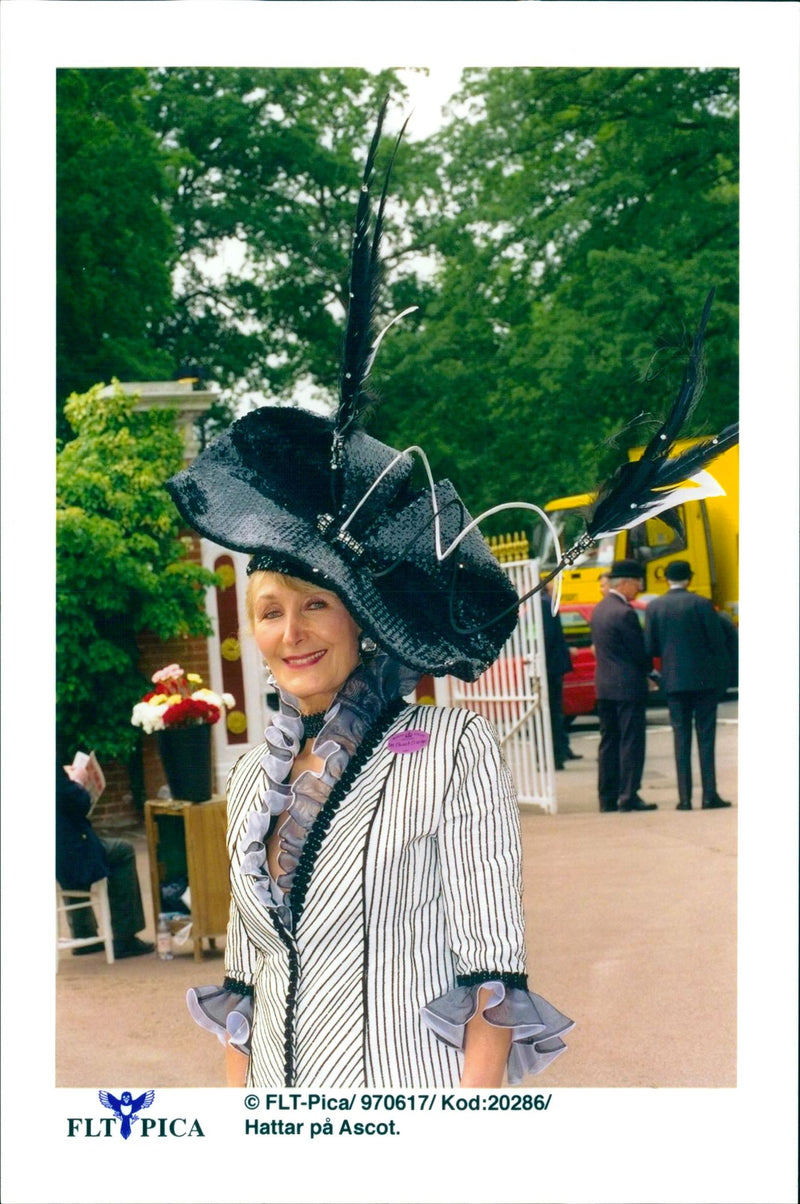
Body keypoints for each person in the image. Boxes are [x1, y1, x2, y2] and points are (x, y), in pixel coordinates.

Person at [169, 108, 574, 1090]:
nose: (290, 631)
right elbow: (243, 996)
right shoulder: (251, 784)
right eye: (270, 609)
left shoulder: (449, 754)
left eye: (313, 603)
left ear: (357, 612)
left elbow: (489, 988)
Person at [644, 560, 732, 810]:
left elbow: (650, 647)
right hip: (704, 682)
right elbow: (717, 642)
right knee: (706, 738)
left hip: (673, 682)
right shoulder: (702, 604)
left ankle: (684, 799)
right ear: (689, 579)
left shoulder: (655, 607)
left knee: (680, 738)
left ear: (666, 579)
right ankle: (709, 795)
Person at [56, 763, 154, 958]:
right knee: (122, 850)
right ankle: (124, 937)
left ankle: (83, 933)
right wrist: (77, 782)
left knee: (76, 853)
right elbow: (78, 802)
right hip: (68, 849)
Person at [589, 559, 657, 812]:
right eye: (637, 582)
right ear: (626, 583)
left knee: (608, 742)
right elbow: (638, 652)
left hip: (604, 685)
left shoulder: (599, 609)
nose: (639, 587)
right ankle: (629, 795)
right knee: (631, 741)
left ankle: (607, 798)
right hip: (627, 686)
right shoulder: (625, 612)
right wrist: (649, 673)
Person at [541, 583, 581, 769]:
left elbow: (547, 636)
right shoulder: (547, 603)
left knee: (551, 713)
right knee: (554, 712)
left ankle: (557, 754)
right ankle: (560, 751)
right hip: (552, 666)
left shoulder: (542, 604)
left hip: (548, 667)